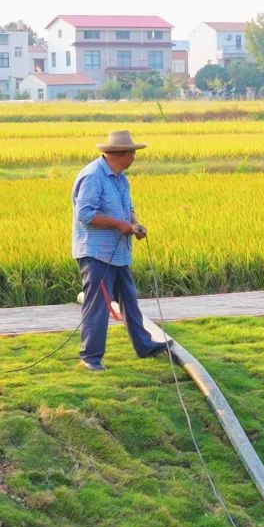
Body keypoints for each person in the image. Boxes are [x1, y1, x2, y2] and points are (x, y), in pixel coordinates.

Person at [72, 130, 169, 371]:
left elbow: (129, 208)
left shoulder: (120, 178)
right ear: (120, 154)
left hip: (118, 253)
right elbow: (85, 214)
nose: (135, 157)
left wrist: (134, 224)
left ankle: (144, 345)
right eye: (133, 153)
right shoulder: (93, 176)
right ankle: (90, 358)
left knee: (129, 300)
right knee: (98, 305)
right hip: (97, 254)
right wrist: (119, 225)